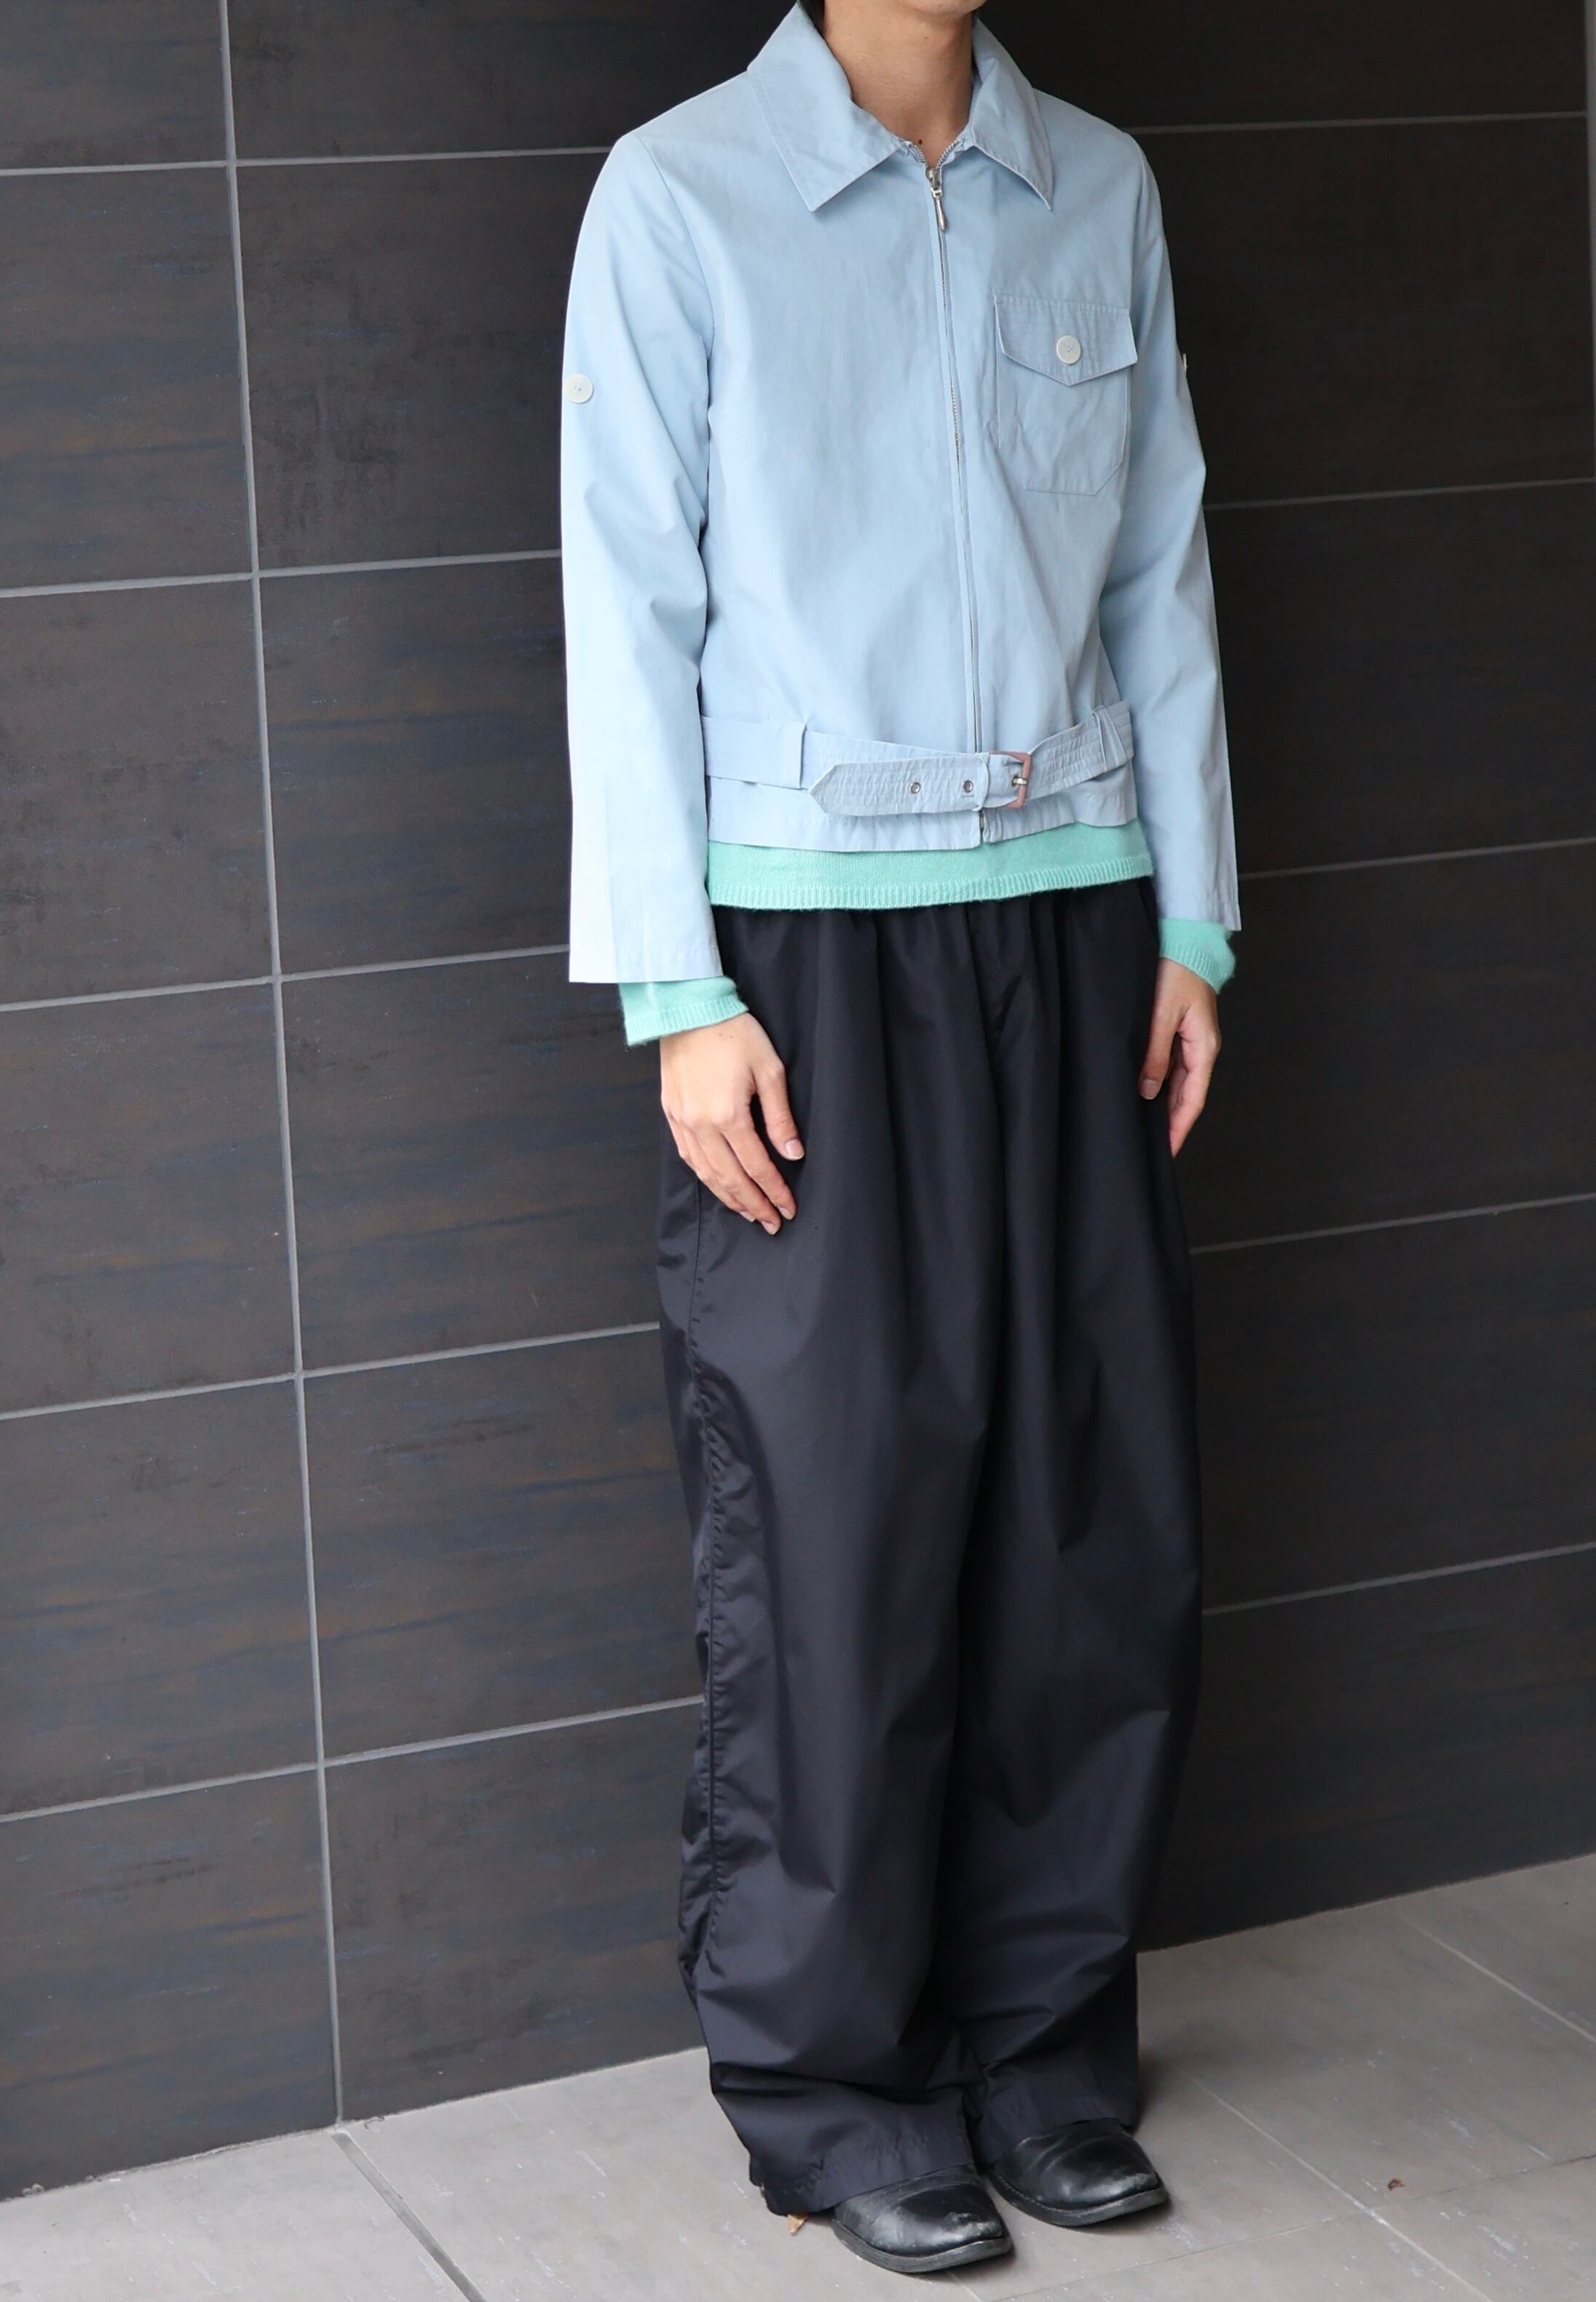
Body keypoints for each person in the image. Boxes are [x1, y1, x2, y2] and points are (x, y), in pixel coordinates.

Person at [560, 0, 1237, 2276]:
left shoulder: (1097, 187)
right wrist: (677, 991)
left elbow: (1156, 563)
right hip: (803, 946)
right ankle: (837, 2086)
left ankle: (1043, 2052)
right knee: (838, 1527)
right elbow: (626, 596)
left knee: (1084, 1522)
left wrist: (1194, 921)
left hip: (1077, 917)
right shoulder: (681, 196)